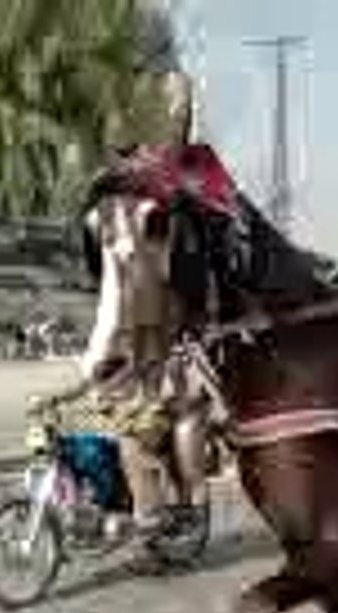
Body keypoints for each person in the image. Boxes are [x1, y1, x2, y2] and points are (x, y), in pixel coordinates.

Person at [33, 70, 208, 538]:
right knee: (105, 423)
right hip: (129, 345)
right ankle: (127, 509)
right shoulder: (107, 216)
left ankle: (182, 505)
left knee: (152, 426)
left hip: (166, 347)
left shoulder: (157, 217)